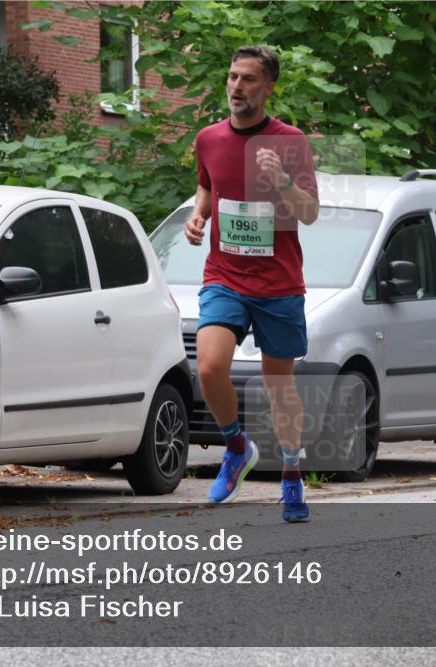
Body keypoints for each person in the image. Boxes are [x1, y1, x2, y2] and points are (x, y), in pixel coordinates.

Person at [185, 45, 319, 522]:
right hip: (224, 275)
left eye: (247, 79)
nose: (236, 86)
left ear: (268, 87)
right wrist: (199, 216)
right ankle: (236, 447)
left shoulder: (291, 141)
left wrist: (282, 181)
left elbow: (310, 212)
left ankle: (291, 473)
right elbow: (207, 185)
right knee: (208, 367)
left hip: (279, 282)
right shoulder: (208, 138)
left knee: (279, 385)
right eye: (232, 76)